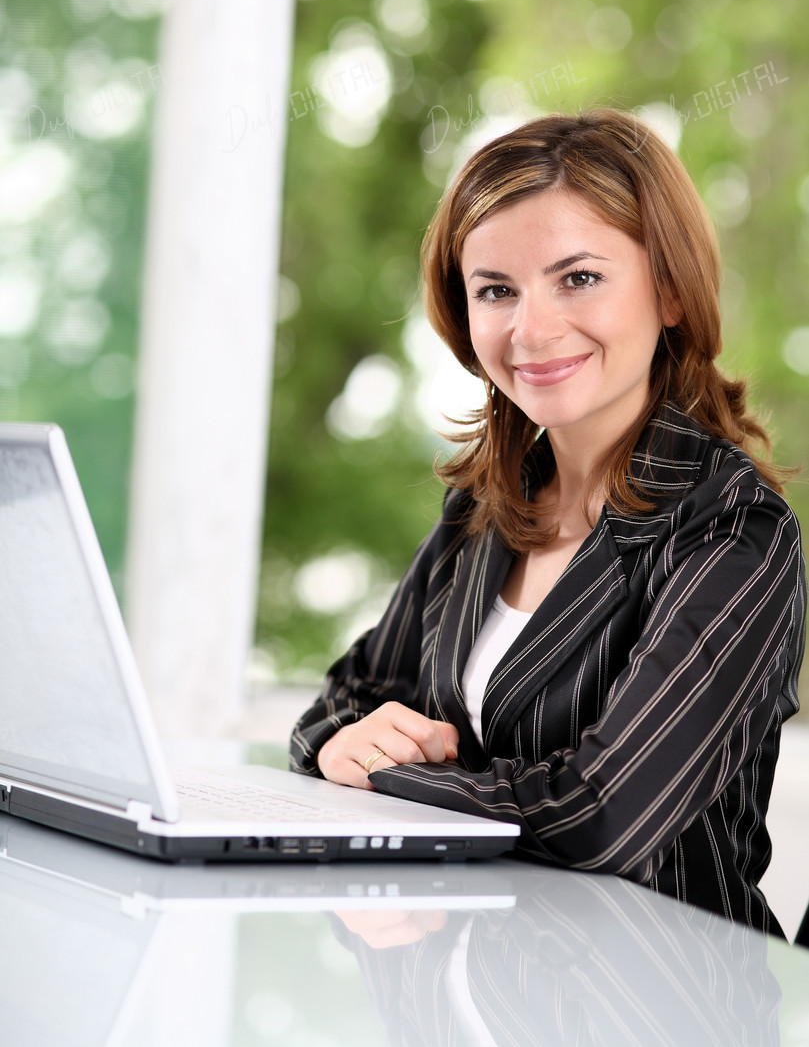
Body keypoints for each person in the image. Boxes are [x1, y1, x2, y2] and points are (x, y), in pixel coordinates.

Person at [290, 108, 806, 935]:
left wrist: (383, 778)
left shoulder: (731, 531)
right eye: (496, 290)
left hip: (657, 1003)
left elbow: (599, 814)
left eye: (578, 278)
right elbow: (346, 701)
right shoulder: (483, 511)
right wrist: (336, 745)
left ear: (669, 290)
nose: (530, 330)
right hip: (468, 981)